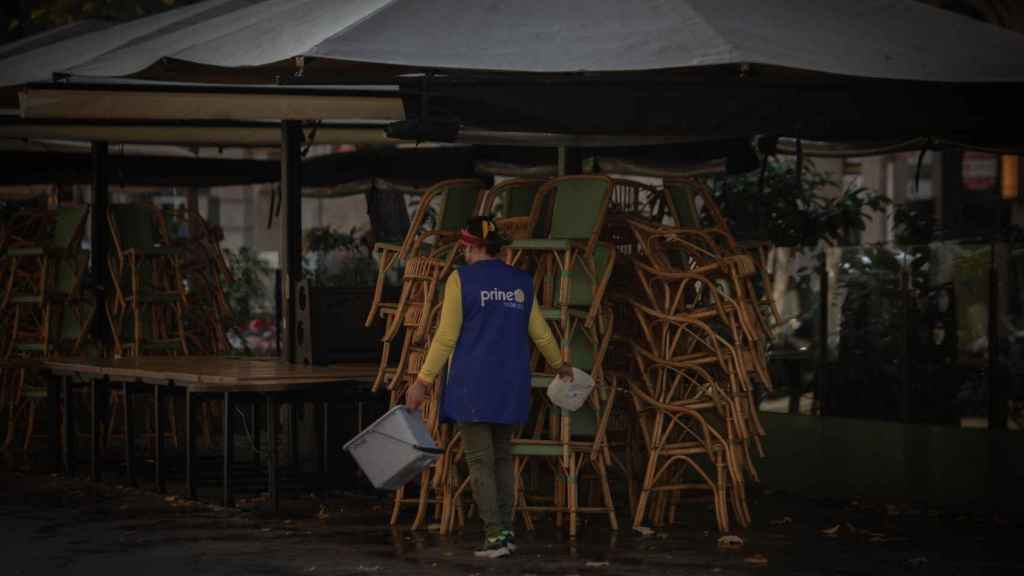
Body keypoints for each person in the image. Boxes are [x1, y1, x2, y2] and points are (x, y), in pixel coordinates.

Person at [406, 215, 571, 558]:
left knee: (480, 461)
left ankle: (495, 536)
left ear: (477, 247)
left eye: (466, 245)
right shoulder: (520, 282)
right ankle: (506, 532)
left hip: (472, 385)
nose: (464, 252)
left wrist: (423, 380)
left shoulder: (460, 280)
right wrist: (560, 365)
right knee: (502, 458)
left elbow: (446, 337)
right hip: (510, 384)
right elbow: (540, 332)